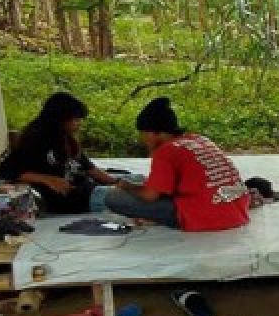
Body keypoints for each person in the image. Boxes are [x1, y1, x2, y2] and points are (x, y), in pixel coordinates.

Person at [98, 98, 249, 231]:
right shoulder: (200, 140)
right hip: (236, 210)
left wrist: (126, 186)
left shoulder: (165, 151)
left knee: (114, 197)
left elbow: (150, 196)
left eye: (142, 134)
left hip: (206, 215)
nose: (142, 140)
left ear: (152, 132)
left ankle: (162, 217)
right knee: (143, 182)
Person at [0, 92, 119, 214]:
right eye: (75, 119)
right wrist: (47, 179)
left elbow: (91, 170)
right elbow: (6, 171)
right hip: (70, 199)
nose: (79, 124)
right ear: (60, 118)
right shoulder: (36, 139)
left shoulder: (67, 139)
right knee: (130, 199)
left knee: (132, 184)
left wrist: (117, 182)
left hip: (89, 189)